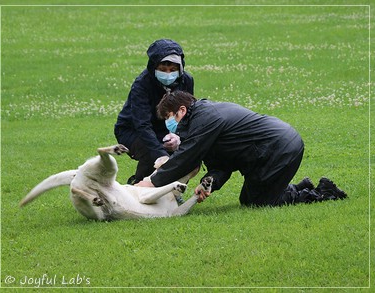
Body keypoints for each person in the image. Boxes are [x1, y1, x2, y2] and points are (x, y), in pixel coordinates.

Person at [136, 91, 347, 207]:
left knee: (257, 202)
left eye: (168, 117)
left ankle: (322, 193)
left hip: (278, 147)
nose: (168, 124)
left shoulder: (205, 117)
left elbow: (187, 157)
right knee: (251, 198)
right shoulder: (204, 117)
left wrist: (152, 182)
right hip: (274, 148)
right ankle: (302, 186)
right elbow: (221, 164)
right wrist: (209, 183)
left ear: (181, 110)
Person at [114, 39, 194, 184]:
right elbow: (142, 124)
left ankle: (174, 190)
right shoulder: (141, 85)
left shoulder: (186, 80)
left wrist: (177, 137)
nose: (168, 74)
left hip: (167, 129)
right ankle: (138, 185)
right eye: (163, 70)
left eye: (173, 70)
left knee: (185, 151)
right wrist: (162, 155)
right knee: (152, 152)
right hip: (133, 130)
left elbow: (188, 114)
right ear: (153, 67)